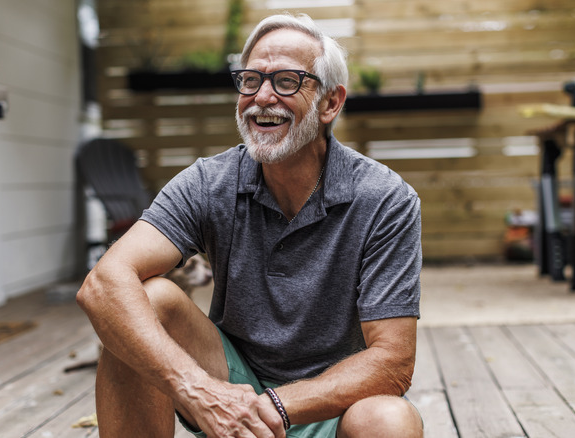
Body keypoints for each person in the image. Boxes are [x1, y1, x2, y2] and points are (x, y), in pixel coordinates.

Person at [77, 13, 423, 438]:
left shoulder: (385, 197)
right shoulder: (209, 181)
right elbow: (102, 283)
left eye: (286, 81)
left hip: (331, 404)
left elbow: (393, 361)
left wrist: (271, 408)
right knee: (145, 300)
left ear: (330, 103)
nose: (262, 97)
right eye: (250, 80)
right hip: (227, 387)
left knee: (391, 421)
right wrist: (201, 391)